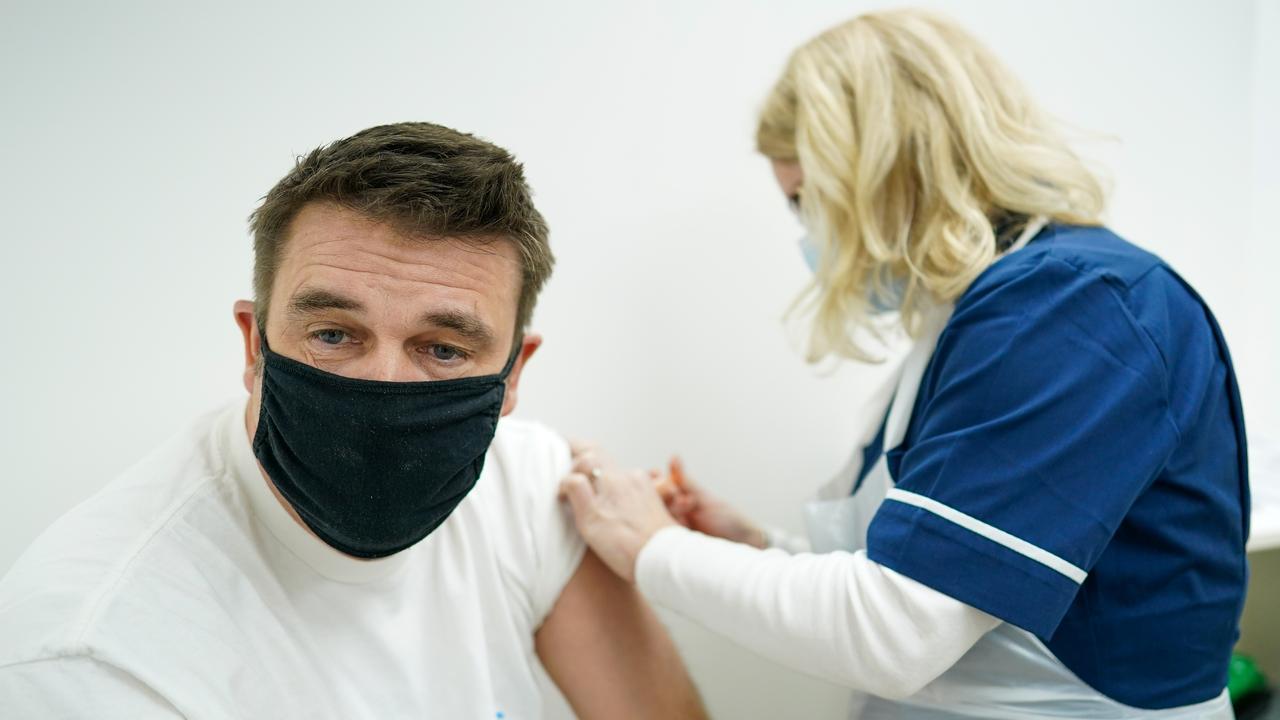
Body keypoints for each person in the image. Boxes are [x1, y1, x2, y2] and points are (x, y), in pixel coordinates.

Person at [559, 10, 1249, 719]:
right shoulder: (976, 315)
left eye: (807, 201)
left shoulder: (1076, 312)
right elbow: (930, 572)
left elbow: (895, 631)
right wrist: (756, 546)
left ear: (888, 168)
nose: (808, 234)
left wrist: (653, 547)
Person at [0, 123, 706, 719]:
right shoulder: (92, 648)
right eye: (335, 334)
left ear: (513, 373)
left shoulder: (530, 489)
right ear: (254, 345)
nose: (384, 385)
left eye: (443, 348)